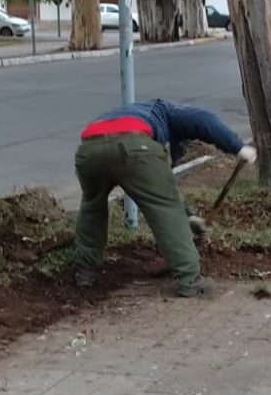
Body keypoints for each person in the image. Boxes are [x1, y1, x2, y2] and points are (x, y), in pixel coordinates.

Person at [74, 99, 255, 297]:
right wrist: (237, 147)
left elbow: (163, 186)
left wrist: (189, 217)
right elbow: (204, 120)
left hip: (89, 149)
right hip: (133, 143)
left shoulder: (138, 114)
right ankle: (190, 280)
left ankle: (85, 272)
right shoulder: (168, 111)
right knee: (166, 210)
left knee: (92, 207)